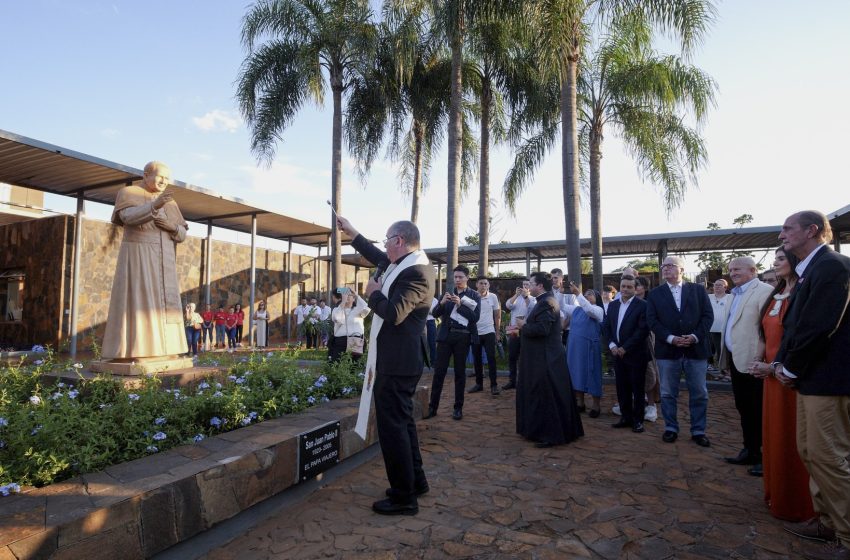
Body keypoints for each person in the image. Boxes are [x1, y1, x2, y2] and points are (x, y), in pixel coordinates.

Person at [336, 215, 435, 517]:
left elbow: (393, 313)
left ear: (399, 241)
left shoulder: (416, 273)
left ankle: (404, 498)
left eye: (387, 241)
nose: (384, 247)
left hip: (397, 363)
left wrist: (374, 293)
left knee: (393, 429)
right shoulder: (406, 263)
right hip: (398, 359)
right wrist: (353, 234)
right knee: (403, 424)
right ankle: (414, 482)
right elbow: (379, 258)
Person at [774, 211, 850, 559]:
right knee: (810, 451)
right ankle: (828, 521)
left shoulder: (832, 266)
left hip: (830, 379)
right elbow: (797, 324)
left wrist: (790, 368)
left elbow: (820, 325)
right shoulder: (812, 270)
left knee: (829, 456)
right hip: (813, 379)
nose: (782, 235)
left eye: (788, 228)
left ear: (812, 230)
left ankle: (847, 536)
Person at [749, 247, 814, 522]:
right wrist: (758, 359)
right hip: (770, 378)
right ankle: (775, 493)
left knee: (793, 439)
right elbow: (765, 332)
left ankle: (797, 503)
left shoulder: (802, 294)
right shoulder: (774, 295)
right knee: (773, 435)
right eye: (774, 259)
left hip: (790, 378)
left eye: (780, 258)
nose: (775, 263)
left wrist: (775, 368)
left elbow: (803, 338)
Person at [101, 161, 188, 360]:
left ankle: (167, 350)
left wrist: (171, 227)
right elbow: (127, 218)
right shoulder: (129, 193)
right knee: (141, 302)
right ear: (146, 174)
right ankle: (138, 351)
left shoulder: (170, 202)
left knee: (166, 305)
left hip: (165, 258)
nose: (164, 181)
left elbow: (182, 234)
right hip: (140, 254)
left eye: (167, 178)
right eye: (160, 177)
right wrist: (154, 205)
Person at [646, 256, 713, 447]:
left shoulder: (698, 290)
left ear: (682, 270)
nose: (665, 269)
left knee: (699, 392)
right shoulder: (655, 294)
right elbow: (652, 320)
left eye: (670, 266)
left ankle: (698, 430)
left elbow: (708, 316)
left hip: (696, 349)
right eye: (663, 266)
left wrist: (695, 336)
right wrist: (670, 338)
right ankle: (671, 428)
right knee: (667, 393)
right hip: (668, 351)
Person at [513, 271, 584, 447]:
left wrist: (524, 326)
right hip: (543, 357)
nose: (528, 286)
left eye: (531, 283)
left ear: (540, 286)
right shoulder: (546, 300)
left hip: (545, 359)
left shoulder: (546, 302)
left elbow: (542, 329)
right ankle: (538, 430)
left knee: (547, 396)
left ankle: (550, 434)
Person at [719, 257, 774, 476]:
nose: (732, 273)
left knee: (759, 410)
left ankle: (765, 456)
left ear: (753, 270)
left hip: (755, 362)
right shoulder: (735, 293)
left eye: (737, 269)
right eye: (731, 269)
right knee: (744, 407)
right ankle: (749, 450)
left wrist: (761, 359)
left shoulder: (765, 291)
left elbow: (767, 329)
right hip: (736, 360)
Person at [427, 266, 481, 421]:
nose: (457, 280)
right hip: (445, 336)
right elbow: (435, 313)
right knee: (439, 373)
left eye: (460, 277)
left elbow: (474, 317)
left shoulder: (474, 295)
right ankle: (432, 407)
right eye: (455, 277)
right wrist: (442, 303)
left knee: (459, 373)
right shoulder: (448, 293)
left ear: (467, 278)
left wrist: (460, 305)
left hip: (462, 337)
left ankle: (458, 408)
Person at [604, 275, 650, 433]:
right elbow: (607, 327)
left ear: (635, 288)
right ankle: (625, 417)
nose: (625, 289)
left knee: (637, 388)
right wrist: (612, 345)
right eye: (623, 286)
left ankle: (638, 420)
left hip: (636, 354)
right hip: (617, 353)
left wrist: (625, 348)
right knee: (621, 387)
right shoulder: (613, 305)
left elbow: (642, 330)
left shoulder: (643, 305)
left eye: (629, 287)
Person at [565, 286, 605, 417]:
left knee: (593, 374)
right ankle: (580, 403)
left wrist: (579, 295)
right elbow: (560, 305)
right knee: (576, 374)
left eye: (590, 294)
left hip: (590, 349)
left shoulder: (598, 310)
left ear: (597, 298)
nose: (587, 296)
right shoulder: (577, 309)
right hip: (575, 349)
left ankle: (596, 405)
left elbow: (589, 309)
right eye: (586, 294)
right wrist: (557, 290)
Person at [468, 277, 501, 396]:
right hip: (475, 332)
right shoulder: (471, 296)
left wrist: (497, 332)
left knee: (491, 358)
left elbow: (497, 315)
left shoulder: (493, 297)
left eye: (485, 283)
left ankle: (494, 385)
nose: (483, 285)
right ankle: (479, 384)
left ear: (488, 285)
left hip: (489, 331)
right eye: (481, 283)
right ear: (476, 285)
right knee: (477, 359)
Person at [504, 279, 536, 390]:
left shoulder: (533, 299)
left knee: (526, 357)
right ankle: (512, 381)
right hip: (513, 329)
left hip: (527, 329)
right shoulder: (516, 298)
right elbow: (508, 305)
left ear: (531, 287)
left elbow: (532, 308)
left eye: (528, 285)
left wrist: (526, 296)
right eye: (524, 285)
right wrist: (516, 295)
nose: (525, 286)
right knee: (512, 356)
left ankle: (525, 381)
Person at [329, 289, 370, 362]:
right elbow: (336, 318)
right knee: (337, 362)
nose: (347, 296)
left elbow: (367, 309)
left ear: (354, 299)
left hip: (355, 340)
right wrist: (343, 302)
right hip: (340, 341)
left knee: (354, 365)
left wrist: (357, 295)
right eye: (345, 295)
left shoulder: (358, 310)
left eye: (350, 295)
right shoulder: (337, 309)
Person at [708, 279, 731, 380]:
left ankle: (727, 372)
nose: (716, 287)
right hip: (711, 328)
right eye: (715, 285)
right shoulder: (709, 297)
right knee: (714, 350)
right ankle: (721, 371)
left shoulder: (730, 297)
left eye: (719, 285)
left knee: (724, 351)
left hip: (725, 329)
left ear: (725, 287)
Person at [425, 296, 438, 368]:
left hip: (431, 322)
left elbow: (434, 312)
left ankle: (434, 362)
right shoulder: (421, 297)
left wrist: (425, 309)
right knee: (421, 343)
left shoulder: (434, 300)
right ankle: (421, 362)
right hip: (422, 321)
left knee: (432, 342)